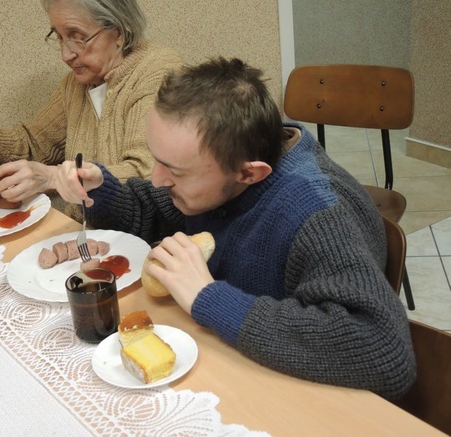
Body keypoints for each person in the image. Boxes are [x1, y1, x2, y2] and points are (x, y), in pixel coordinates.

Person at [55, 57, 416, 400]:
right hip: (229, 364)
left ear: (249, 173)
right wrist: (99, 189)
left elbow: (385, 351)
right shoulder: (220, 173)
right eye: (156, 160)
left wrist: (207, 297)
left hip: (294, 398)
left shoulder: (319, 213)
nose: (158, 179)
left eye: (175, 171)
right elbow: (154, 208)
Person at [0, 0, 183, 219]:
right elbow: (34, 147)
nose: (65, 54)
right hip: (84, 231)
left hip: (139, 241)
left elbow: (148, 177)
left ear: (117, 32)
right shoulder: (77, 83)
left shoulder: (159, 74)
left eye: (77, 37)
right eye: (59, 37)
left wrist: (54, 177)